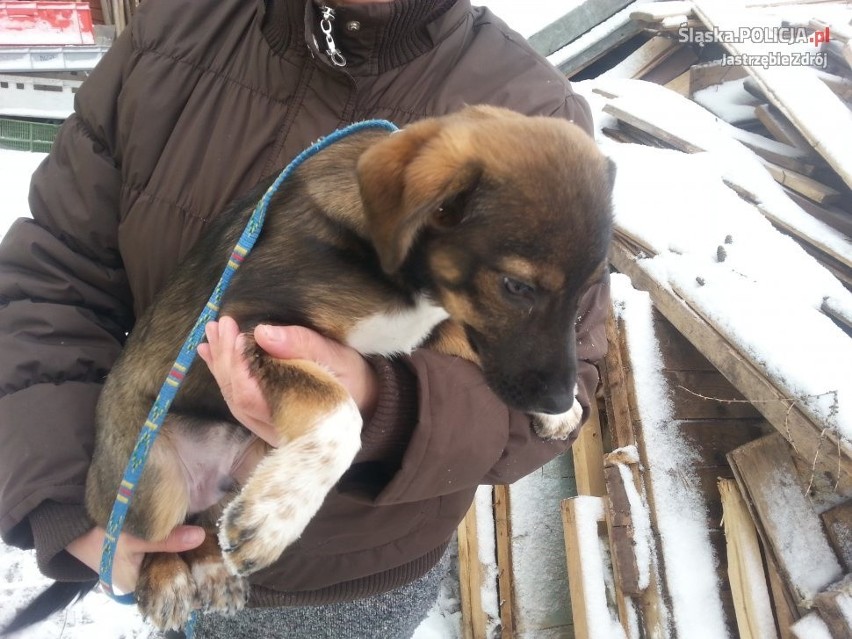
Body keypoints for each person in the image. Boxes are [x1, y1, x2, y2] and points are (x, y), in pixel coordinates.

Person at [0, 0, 610, 637]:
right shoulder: (170, 32)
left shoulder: (539, 112)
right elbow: (50, 276)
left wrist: (385, 403)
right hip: (175, 519)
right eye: (517, 286)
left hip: (358, 582)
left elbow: (560, 382)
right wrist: (70, 506)